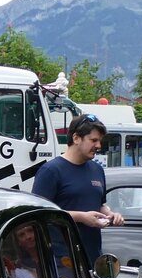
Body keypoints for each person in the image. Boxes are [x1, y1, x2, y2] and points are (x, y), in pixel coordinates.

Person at [32, 113, 124, 267]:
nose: (99, 146)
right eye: (93, 140)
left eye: (100, 141)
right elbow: (37, 215)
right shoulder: (51, 171)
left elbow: (99, 204)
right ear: (76, 138)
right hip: (62, 262)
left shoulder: (97, 170)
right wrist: (81, 217)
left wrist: (110, 214)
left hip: (94, 258)